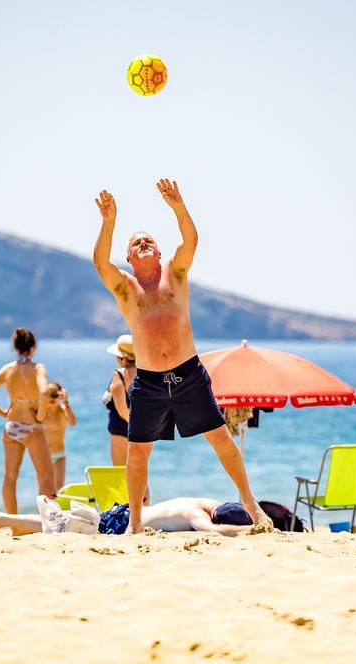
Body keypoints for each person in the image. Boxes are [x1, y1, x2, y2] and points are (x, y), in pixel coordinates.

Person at [92, 179, 269, 533]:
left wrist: (178, 207)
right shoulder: (125, 288)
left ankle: (250, 502)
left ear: (157, 252)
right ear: (128, 258)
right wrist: (109, 223)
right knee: (137, 452)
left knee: (221, 437)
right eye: (135, 244)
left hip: (188, 375)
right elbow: (100, 263)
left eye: (149, 241)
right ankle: (136, 525)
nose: (143, 244)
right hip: (149, 382)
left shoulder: (175, 272)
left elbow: (191, 241)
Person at [0, 328, 55, 514]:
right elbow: (44, 392)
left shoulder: (8, 369)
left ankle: (14, 524)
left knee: (10, 477)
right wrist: (41, 415)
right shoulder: (38, 369)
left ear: (15, 348)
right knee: (46, 478)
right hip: (31, 426)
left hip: (11, 426)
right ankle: (45, 521)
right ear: (33, 348)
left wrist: (3, 413)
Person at [0, 497, 256, 536]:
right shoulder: (195, 512)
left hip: (125, 513)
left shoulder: (205, 501)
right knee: (63, 527)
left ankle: (6, 520)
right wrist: (247, 532)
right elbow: (210, 532)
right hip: (122, 523)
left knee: (61, 524)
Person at [102, 334, 136, 466]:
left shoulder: (119, 374)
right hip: (142, 433)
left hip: (122, 431)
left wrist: (135, 430)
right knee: (139, 475)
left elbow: (122, 410)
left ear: (121, 357)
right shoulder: (144, 374)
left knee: (121, 474)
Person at [43, 381, 76, 490]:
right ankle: (44, 507)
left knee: (58, 488)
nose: (52, 397)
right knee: (46, 487)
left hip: (59, 455)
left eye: (55, 394)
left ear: (60, 395)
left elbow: (72, 422)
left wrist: (66, 402)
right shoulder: (41, 412)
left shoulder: (62, 411)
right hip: (44, 456)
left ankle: (56, 506)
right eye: (49, 393)